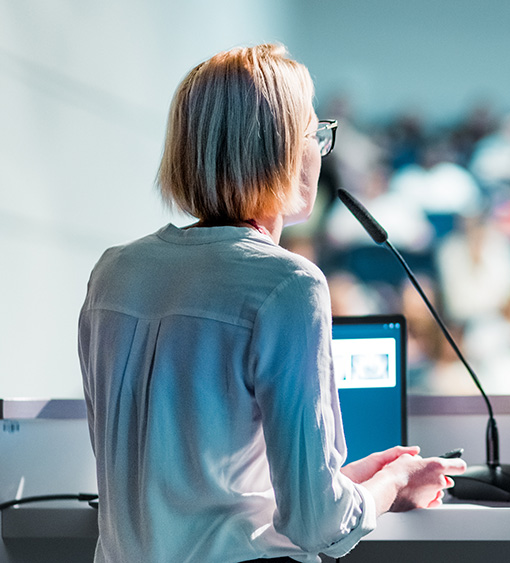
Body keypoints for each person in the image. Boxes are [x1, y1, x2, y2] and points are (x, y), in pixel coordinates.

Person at [78, 44, 465, 563]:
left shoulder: (114, 272)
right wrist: (393, 485)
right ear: (278, 148)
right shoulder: (287, 284)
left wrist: (344, 482)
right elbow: (318, 527)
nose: (321, 150)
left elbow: (200, 494)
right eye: (315, 133)